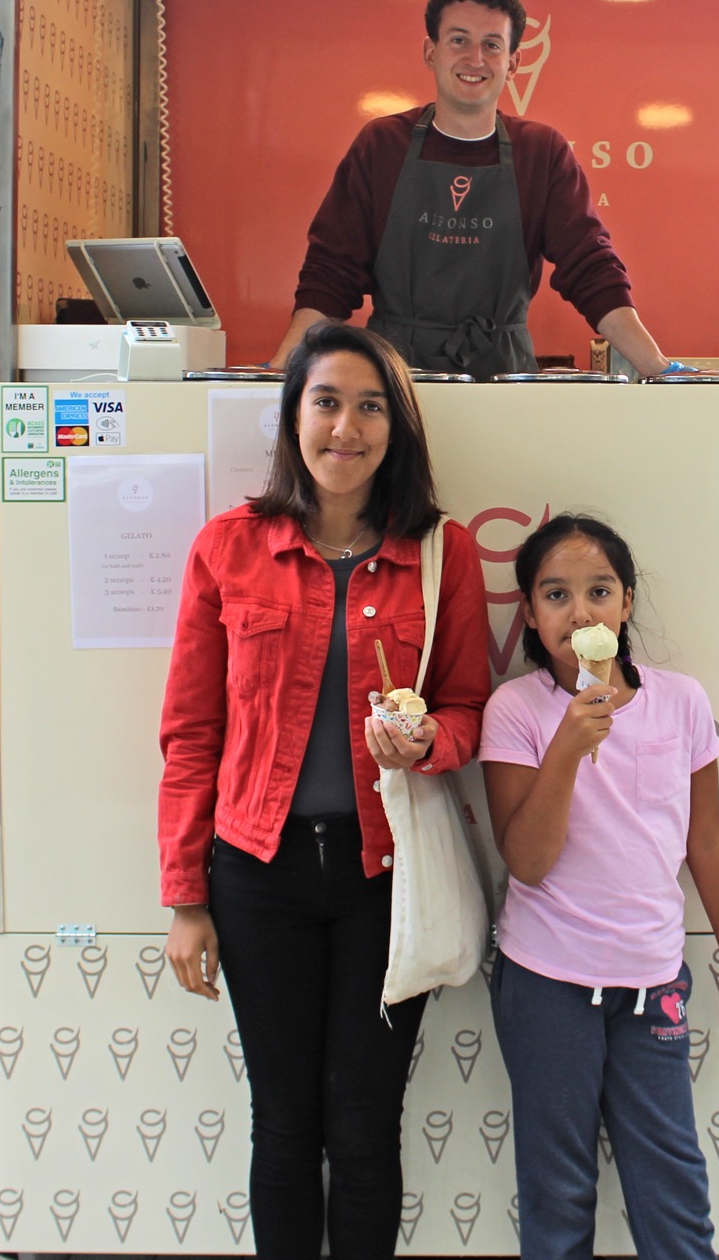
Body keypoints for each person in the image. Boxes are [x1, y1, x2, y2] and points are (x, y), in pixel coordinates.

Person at [158, 322, 491, 1260]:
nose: (347, 427)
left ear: (398, 426)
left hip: (385, 879)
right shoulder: (229, 549)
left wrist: (428, 741)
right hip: (256, 876)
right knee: (284, 1123)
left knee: (365, 1122)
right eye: (328, 402)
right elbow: (189, 736)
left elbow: (468, 708)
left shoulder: (442, 553)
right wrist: (186, 897)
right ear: (293, 416)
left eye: (371, 406)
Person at [478, 514, 719, 1260]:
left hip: (653, 979)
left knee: (672, 1186)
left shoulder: (682, 702)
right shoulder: (517, 711)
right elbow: (527, 861)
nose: (581, 613)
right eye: (557, 595)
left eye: (599, 591)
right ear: (531, 614)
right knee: (557, 1188)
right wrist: (569, 745)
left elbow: (708, 842)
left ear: (626, 603)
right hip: (546, 983)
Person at [272, 0, 681, 378]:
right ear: (430, 52)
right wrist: (281, 368)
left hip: (502, 382)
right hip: (395, 385)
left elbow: (592, 270)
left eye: (492, 45)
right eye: (458, 40)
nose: (475, 59)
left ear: (513, 61)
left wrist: (660, 369)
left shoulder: (541, 153)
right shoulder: (381, 146)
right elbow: (330, 274)